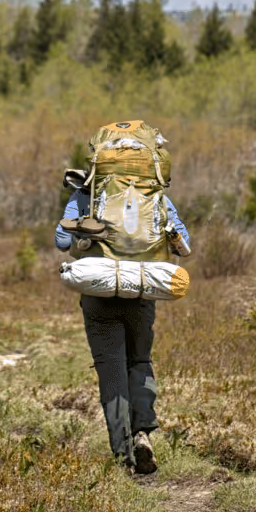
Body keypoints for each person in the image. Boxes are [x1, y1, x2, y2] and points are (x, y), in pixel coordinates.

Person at [57, 171, 191, 476]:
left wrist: (83, 233)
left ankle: (123, 453)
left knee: (111, 370)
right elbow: (183, 244)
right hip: (141, 292)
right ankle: (142, 432)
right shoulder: (155, 198)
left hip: (98, 296)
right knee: (139, 361)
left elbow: (61, 240)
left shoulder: (85, 198)